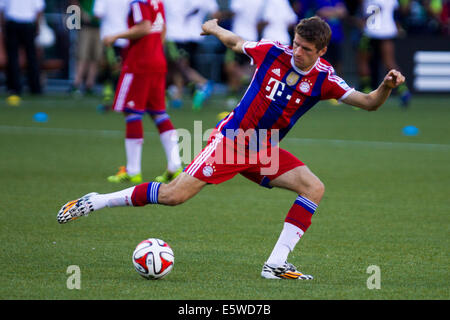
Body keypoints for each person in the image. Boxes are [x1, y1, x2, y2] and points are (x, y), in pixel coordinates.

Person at [57, 16, 406, 280]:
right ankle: (96, 200)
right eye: (296, 44)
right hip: (232, 142)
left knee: (313, 187)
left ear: (322, 51)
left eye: (306, 49)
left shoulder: (325, 78)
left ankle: (275, 264)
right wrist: (213, 28)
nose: (297, 51)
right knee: (174, 196)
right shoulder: (272, 52)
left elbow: (369, 102)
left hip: (264, 150)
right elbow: (237, 42)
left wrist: (387, 86)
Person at [103, 0, 182, 184]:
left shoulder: (139, 3)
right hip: (157, 61)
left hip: (139, 64)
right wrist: (154, 49)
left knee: (131, 112)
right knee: (158, 113)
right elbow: (162, 29)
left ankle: (132, 170)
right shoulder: (157, 2)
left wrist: (115, 36)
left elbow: (144, 27)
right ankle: (175, 165)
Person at [164, 0, 215, 111]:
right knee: (177, 68)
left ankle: (203, 83)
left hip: (175, 35)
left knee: (180, 66)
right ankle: (177, 97)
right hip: (185, 36)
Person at [358, 0, 411, 106]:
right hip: (387, 31)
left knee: (363, 62)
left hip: (370, 31)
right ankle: (403, 90)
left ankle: (366, 90)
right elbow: (400, 11)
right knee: (389, 62)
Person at [1, 0, 44, 99]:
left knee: (16, 58)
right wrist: (37, 26)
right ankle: (34, 88)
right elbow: (39, 9)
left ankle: (15, 87)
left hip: (14, 24)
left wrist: (3, 28)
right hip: (26, 24)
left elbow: (2, 10)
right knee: (29, 58)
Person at [93, 0, 130, 112]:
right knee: (116, 67)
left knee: (112, 68)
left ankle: (115, 97)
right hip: (125, 37)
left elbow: (97, 14)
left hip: (109, 37)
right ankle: (114, 96)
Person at [70, 0, 102, 96]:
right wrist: (80, 15)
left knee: (96, 57)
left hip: (100, 27)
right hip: (86, 27)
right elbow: (74, 2)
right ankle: (76, 84)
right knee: (82, 55)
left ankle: (90, 84)